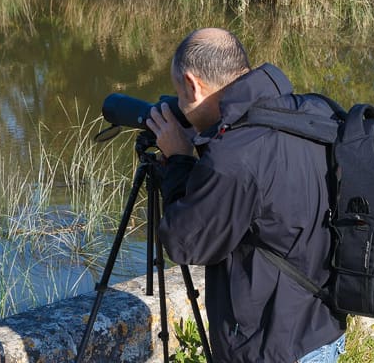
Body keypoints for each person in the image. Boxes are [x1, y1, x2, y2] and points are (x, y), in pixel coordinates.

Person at [145, 28, 346, 363]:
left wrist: (179, 160)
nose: (179, 104)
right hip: (323, 330)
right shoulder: (311, 113)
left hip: (272, 348)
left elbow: (185, 243)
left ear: (193, 84)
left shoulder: (235, 155)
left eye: (179, 95)